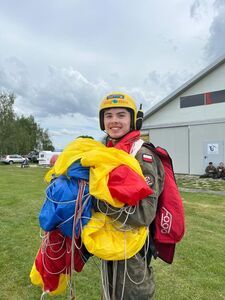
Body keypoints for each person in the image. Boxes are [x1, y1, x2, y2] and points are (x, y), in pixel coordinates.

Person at [93, 92, 165, 300]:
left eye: (121, 115)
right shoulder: (107, 153)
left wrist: (97, 202)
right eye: (108, 116)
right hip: (109, 243)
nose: (114, 121)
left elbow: (143, 214)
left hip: (132, 250)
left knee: (132, 295)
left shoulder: (142, 156)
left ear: (133, 120)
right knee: (109, 293)